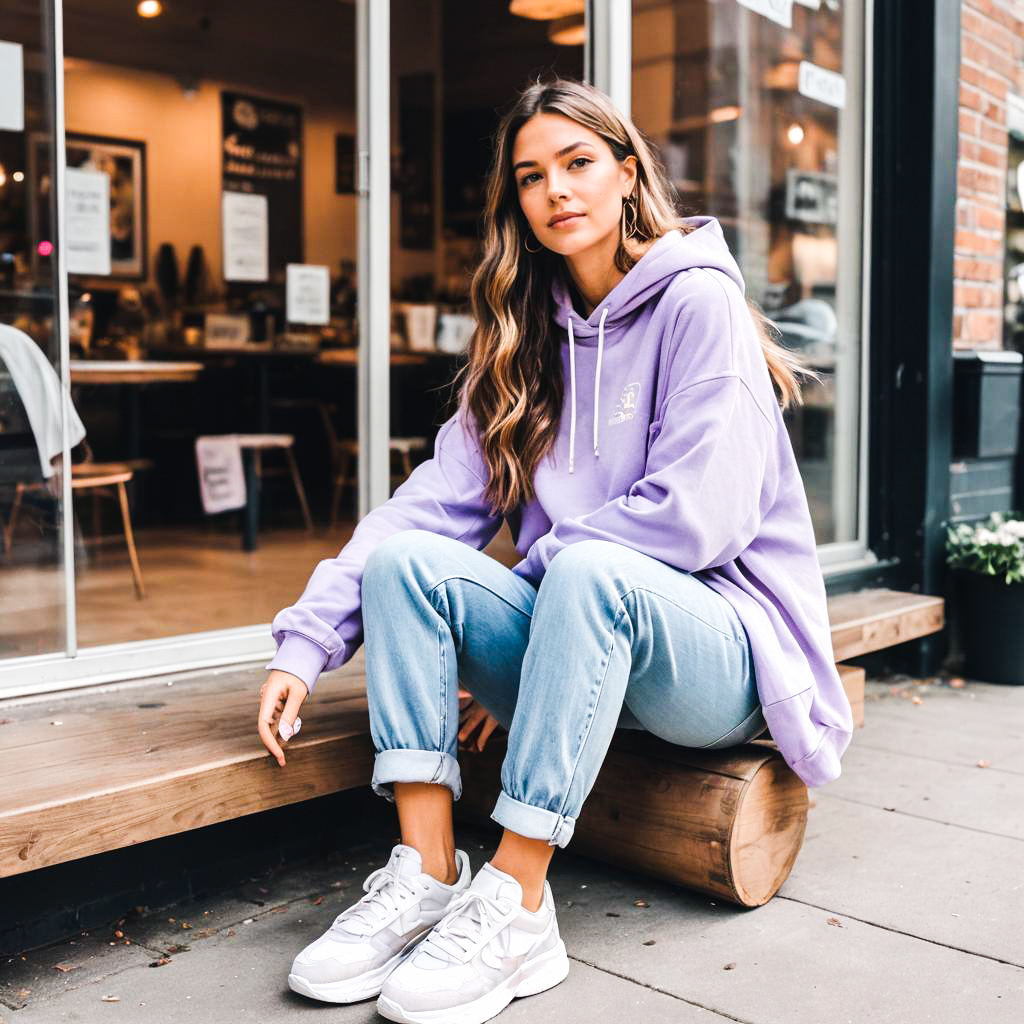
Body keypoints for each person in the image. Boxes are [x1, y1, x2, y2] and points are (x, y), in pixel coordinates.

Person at [256, 76, 853, 1024]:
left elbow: (698, 517)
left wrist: (535, 587)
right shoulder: (523, 341)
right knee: (412, 563)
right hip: (584, 626)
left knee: (586, 567)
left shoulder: (700, 305)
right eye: (531, 178)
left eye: (578, 164)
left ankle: (522, 901)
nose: (556, 191)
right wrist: (308, 639)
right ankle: (428, 869)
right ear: (518, 206)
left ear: (627, 173)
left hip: (718, 657)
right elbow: (419, 514)